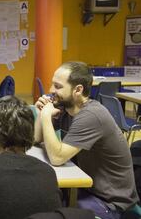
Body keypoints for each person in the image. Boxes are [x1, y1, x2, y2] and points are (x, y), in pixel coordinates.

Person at [34, 61, 139, 219]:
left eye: (57, 86)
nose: (51, 91)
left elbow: (56, 157)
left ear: (78, 90)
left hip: (110, 203)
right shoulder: (66, 108)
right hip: (85, 189)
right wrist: (41, 112)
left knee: (47, 211)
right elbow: (36, 139)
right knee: (38, 199)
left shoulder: (91, 115)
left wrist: (46, 117)